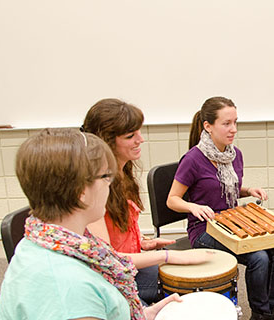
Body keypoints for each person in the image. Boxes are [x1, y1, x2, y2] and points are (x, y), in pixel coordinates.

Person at [0, 129, 243, 320]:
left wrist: (142, 315)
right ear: (81, 193)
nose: (112, 184)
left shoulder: (60, 240)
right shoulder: (63, 286)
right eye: (106, 177)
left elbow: (96, 314)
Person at [166, 97, 274, 320]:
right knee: (258, 258)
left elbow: (227, 191)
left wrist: (247, 190)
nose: (233, 129)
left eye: (235, 122)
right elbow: (172, 200)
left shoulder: (235, 155)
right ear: (208, 126)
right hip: (204, 230)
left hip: (231, 223)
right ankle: (258, 319)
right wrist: (193, 207)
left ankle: (270, 316)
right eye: (226, 123)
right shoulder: (193, 159)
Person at [82, 98, 210, 304]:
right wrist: (166, 256)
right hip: (111, 282)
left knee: (197, 281)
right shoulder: (93, 188)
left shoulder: (123, 172)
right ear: (106, 142)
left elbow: (116, 230)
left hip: (130, 268)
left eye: (139, 132)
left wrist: (140, 241)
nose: (140, 139)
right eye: (131, 136)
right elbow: (107, 260)